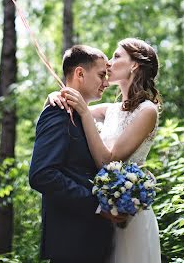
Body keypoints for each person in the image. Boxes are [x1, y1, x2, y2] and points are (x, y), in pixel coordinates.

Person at [49, 37, 162, 263]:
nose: (109, 64)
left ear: (134, 65)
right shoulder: (110, 110)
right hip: (105, 217)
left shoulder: (147, 111)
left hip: (130, 215)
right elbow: (67, 105)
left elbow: (107, 160)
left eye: (116, 56)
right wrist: (55, 95)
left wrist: (83, 110)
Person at [29, 44, 121, 263]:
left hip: (93, 242)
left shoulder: (85, 116)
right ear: (80, 73)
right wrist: (97, 204)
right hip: (71, 242)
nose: (106, 83)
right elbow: (42, 175)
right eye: (101, 75)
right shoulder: (57, 113)